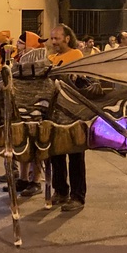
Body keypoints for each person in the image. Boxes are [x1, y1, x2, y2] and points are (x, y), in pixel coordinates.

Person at [48, 23, 87, 212]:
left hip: (72, 113)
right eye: (52, 38)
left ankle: (77, 196)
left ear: (67, 38)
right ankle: (61, 190)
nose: (53, 42)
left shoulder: (76, 55)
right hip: (55, 113)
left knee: (75, 155)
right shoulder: (51, 58)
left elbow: (79, 81)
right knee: (56, 153)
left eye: (56, 38)